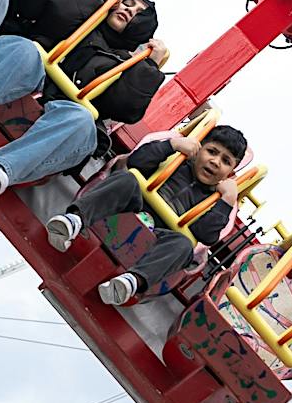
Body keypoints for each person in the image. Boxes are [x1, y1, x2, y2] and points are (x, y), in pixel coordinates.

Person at [0, 0, 170, 200]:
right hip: (39, 75)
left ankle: (0, 170)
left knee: (80, 120)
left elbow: (124, 107)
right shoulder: (87, 17)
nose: (130, 10)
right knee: (23, 49)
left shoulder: (128, 64)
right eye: (129, 3)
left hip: (70, 114)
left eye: (139, 14)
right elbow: (54, 14)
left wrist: (150, 67)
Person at [45, 125, 247, 308]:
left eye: (226, 161)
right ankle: (73, 221)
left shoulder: (218, 200)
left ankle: (130, 282)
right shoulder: (176, 158)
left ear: (230, 173)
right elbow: (137, 161)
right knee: (128, 179)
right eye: (212, 152)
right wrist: (172, 145)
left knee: (184, 245)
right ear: (198, 148)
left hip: (158, 237)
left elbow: (206, 235)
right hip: (131, 208)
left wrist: (227, 200)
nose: (215, 162)